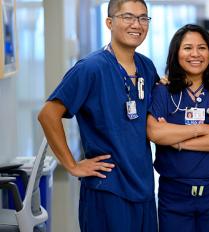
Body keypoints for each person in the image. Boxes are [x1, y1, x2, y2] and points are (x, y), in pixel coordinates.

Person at [38, 1, 158, 231]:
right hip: (108, 190)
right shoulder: (90, 68)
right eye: (128, 17)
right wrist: (72, 165)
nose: (137, 24)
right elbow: (48, 114)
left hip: (143, 188)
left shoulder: (147, 67)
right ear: (109, 22)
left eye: (143, 18)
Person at [147, 24, 209, 232]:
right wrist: (205, 128)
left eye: (202, 48)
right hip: (174, 194)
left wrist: (177, 141)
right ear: (176, 53)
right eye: (188, 48)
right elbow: (155, 133)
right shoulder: (164, 91)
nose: (195, 54)